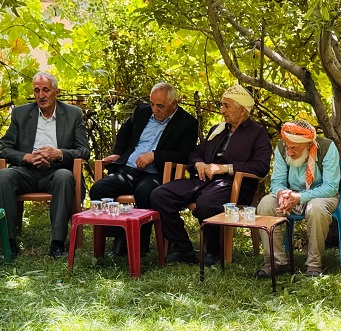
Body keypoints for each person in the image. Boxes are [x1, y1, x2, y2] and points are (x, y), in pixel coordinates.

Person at [151, 85, 271, 265]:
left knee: (207, 203)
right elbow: (195, 152)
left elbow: (261, 167)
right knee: (160, 194)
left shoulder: (258, 132)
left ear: (242, 109)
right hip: (203, 180)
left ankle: (214, 251)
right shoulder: (218, 129)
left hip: (234, 184)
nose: (222, 110)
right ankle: (183, 248)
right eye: (222, 105)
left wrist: (225, 168)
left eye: (227, 106)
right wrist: (199, 163)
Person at [90, 82, 198, 257]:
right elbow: (124, 131)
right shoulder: (142, 111)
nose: (155, 109)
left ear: (174, 103)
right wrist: (118, 153)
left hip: (155, 173)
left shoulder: (187, 123)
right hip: (128, 169)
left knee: (145, 193)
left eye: (160, 106)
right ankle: (120, 235)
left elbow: (184, 155)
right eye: (152, 104)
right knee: (99, 189)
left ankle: (141, 243)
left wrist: (155, 155)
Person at [0, 72, 90, 258]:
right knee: (4, 176)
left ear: (56, 92)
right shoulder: (21, 113)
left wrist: (58, 154)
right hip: (26, 171)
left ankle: (57, 244)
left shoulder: (73, 114)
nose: (41, 95)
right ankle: (8, 243)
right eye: (37, 90)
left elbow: (84, 151)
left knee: (65, 176)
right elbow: (3, 147)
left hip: (56, 171)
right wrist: (26, 157)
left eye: (46, 90)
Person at [255, 120, 341, 278]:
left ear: (308, 145)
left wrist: (301, 197)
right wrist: (281, 193)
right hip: (291, 193)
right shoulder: (282, 147)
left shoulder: (327, 147)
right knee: (266, 204)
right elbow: (277, 181)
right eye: (287, 146)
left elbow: (331, 186)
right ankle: (276, 262)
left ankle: (314, 266)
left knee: (315, 209)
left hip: (321, 194)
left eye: (294, 148)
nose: (289, 152)